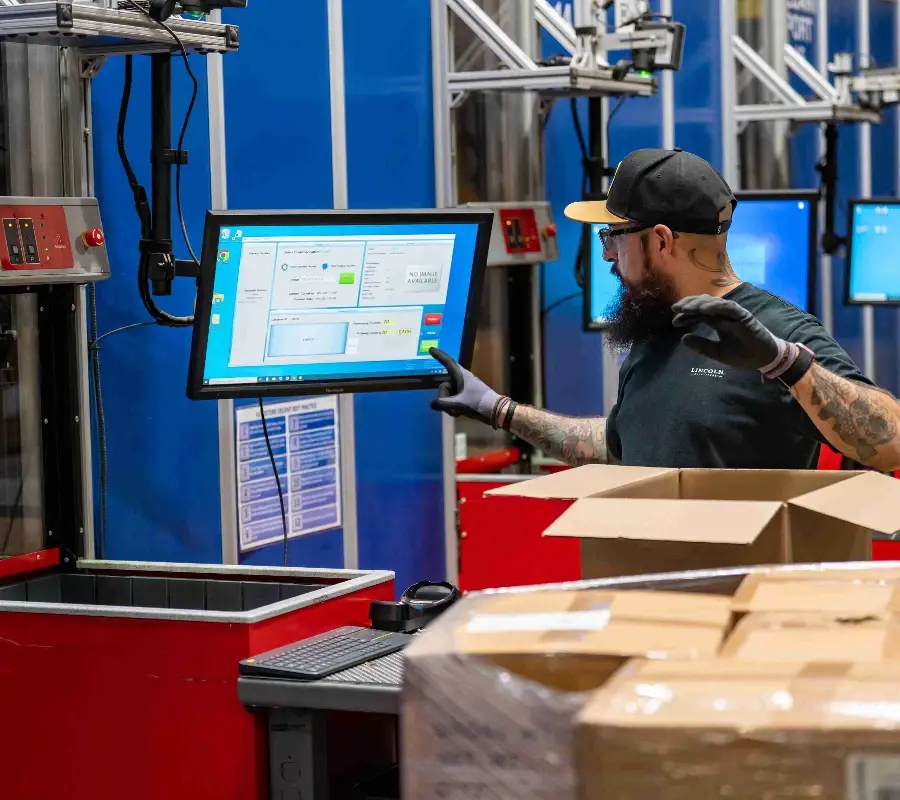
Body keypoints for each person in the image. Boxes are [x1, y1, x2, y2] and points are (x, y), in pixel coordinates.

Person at [429, 147, 900, 472]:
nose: (608, 255)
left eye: (614, 238)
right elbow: (618, 445)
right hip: (649, 592)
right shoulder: (658, 326)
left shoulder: (779, 330)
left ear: (660, 240)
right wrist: (500, 410)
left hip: (743, 601)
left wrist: (784, 361)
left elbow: (891, 441)